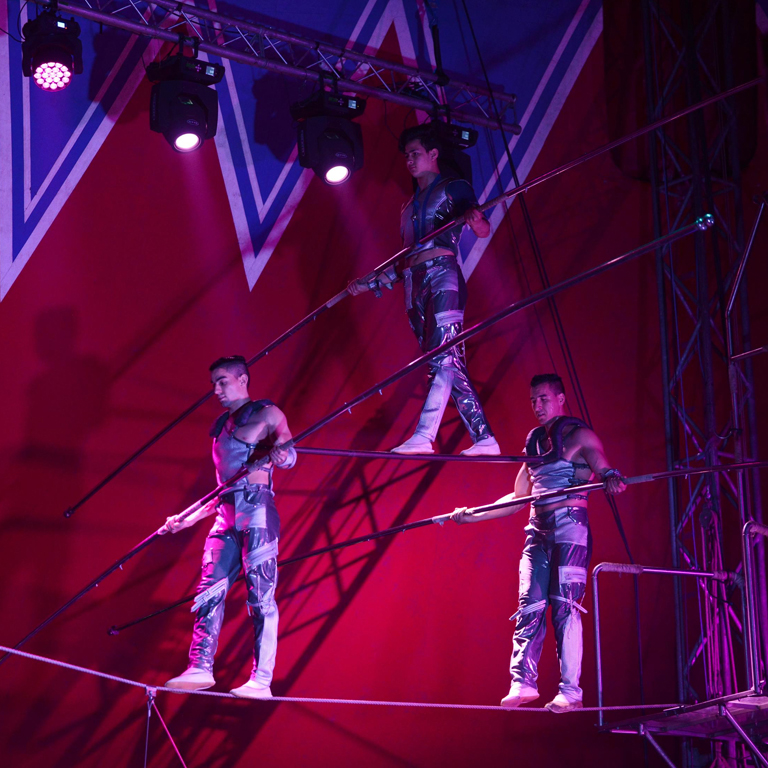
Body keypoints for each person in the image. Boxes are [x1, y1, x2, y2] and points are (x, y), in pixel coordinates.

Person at [452, 373, 626, 712]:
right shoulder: (533, 443)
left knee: (564, 607)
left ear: (561, 398)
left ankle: (570, 691)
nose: (537, 406)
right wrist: (473, 514)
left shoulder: (580, 436)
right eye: (533, 400)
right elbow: (518, 498)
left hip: (569, 530)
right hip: (537, 533)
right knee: (529, 604)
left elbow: (603, 467)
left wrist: (611, 477)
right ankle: (523, 682)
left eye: (544, 398)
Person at [348, 123, 499, 457]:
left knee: (441, 357)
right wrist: (369, 282)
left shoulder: (454, 187)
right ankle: (485, 438)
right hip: (413, 284)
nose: (409, 161)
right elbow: (404, 260)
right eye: (406, 156)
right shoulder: (406, 208)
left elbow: (482, 228)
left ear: (433, 154)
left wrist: (474, 219)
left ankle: (424, 434)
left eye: (415, 154)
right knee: (444, 360)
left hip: (442, 276)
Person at [161, 355, 296, 699]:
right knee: (209, 589)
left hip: (257, 512)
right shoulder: (220, 429)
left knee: (260, 595)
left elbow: (290, 452)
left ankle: (261, 679)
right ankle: (200, 667)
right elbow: (221, 490)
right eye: (214, 384)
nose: (217, 390)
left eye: (222, 382)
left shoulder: (268, 413)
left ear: (242, 380)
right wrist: (186, 520)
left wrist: (282, 455)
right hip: (226, 514)